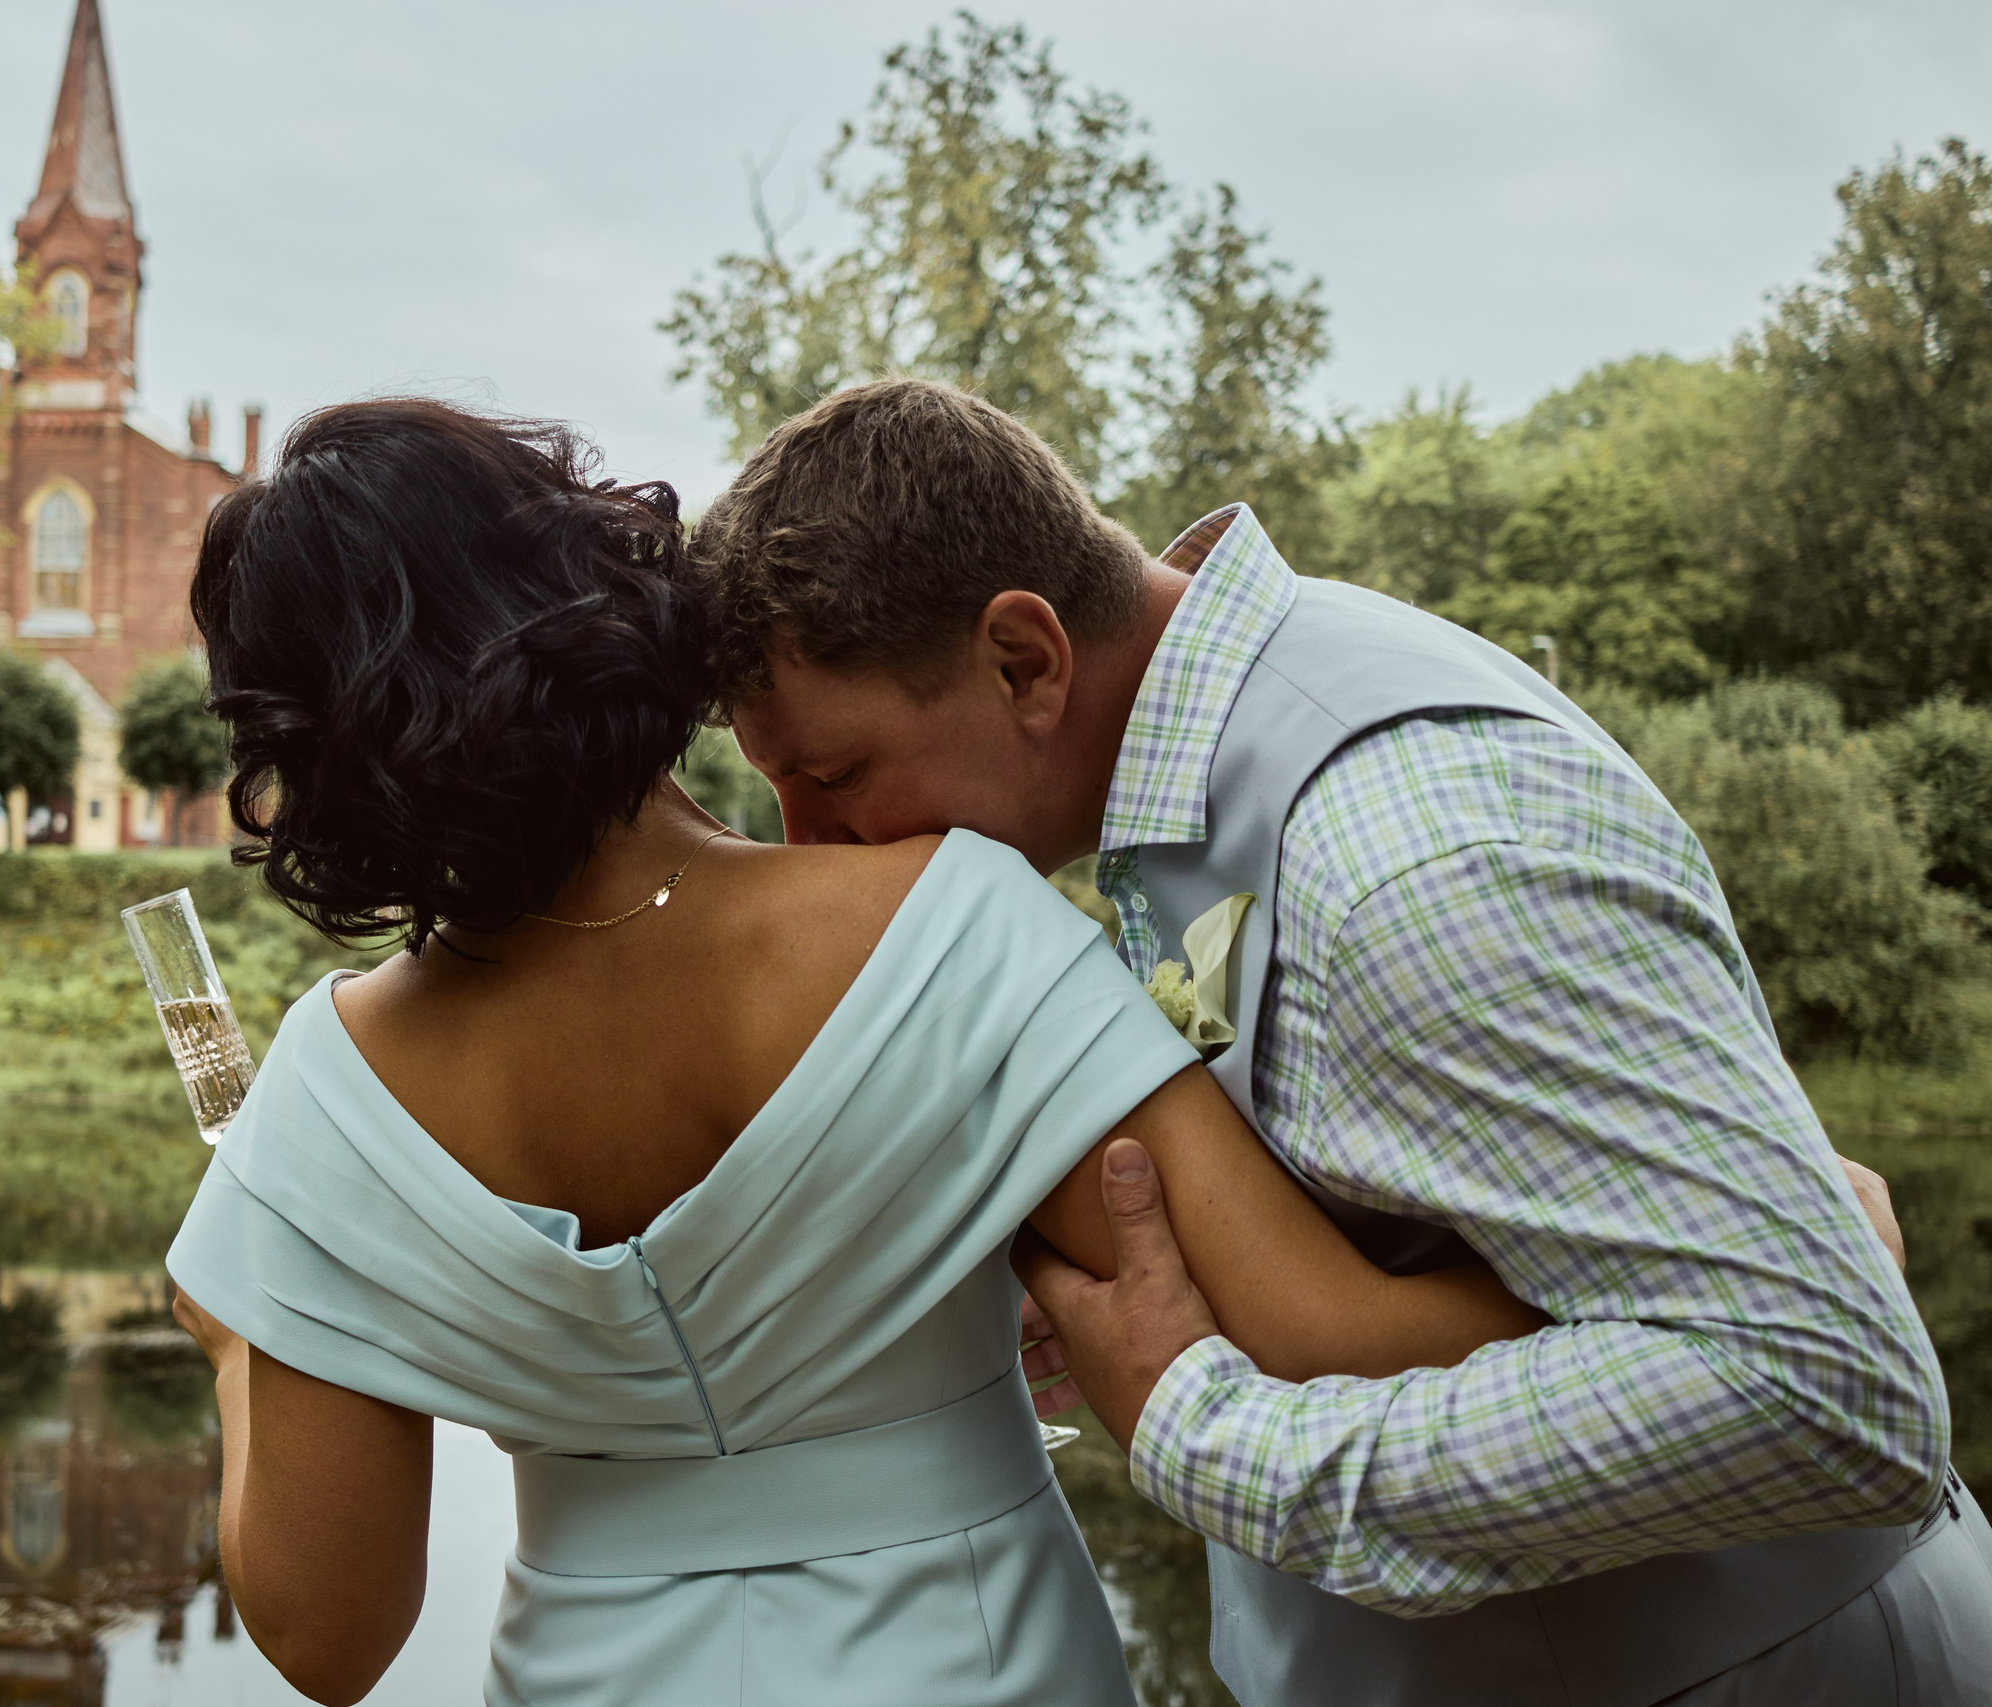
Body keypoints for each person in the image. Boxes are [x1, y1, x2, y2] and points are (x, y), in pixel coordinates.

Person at [162, 399, 1551, 1707]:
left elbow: (328, 1636)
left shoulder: (326, 1099)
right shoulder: (946, 929)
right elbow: (1337, 1346)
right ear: (591, 595)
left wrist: (239, 1341)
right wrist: (1673, 1330)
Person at [691, 376, 1992, 1706]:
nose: (807, 850)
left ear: (1024, 661)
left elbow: (1824, 1390)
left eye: (835, 778)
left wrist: (1204, 1428)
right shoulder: (1209, 771)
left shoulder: (1398, 853)